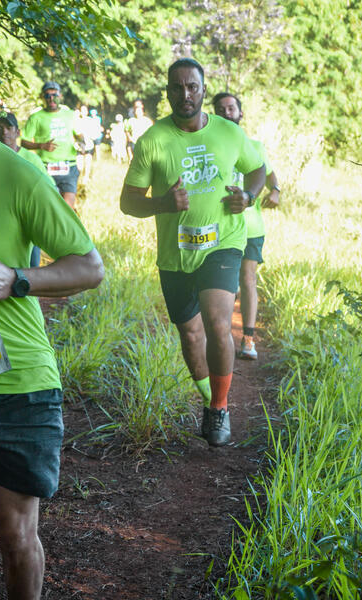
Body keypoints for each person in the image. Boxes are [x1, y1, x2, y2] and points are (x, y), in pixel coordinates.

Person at [0, 42, 104, 600]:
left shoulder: (17, 176)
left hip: (16, 380)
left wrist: (17, 279)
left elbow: (90, 267)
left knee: (14, 534)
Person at [120, 58, 265, 446]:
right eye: (177, 87)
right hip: (175, 253)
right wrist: (163, 204)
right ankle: (208, 397)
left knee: (219, 322)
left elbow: (257, 169)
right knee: (190, 333)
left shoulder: (229, 133)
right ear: (167, 92)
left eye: (192, 87)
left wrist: (248, 196)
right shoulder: (152, 141)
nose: (185, 94)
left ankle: (219, 409)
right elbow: (128, 202)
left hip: (224, 243)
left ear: (203, 89)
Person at [212, 92, 280, 360]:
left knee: (248, 279)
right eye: (221, 109)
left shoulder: (255, 145)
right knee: (222, 283)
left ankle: (248, 339)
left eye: (231, 108)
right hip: (219, 226)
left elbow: (269, 172)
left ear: (241, 114)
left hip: (250, 226)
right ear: (214, 114)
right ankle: (220, 337)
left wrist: (275, 189)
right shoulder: (208, 146)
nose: (227, 113)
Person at [0, 109, 55, 267]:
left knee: (31, 267)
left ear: (18, 132)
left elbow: (50, 190)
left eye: (9, 128)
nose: (4, 132)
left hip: (29, 223)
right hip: (0, 224)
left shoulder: (31, 159)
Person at [21, 81, 83, 210]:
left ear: (60, 96)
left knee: (67, 208)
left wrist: (81, 142)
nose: (51, 99)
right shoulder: (36, 117)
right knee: (50, 208)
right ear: (42, 97)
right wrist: (41, 145)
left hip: (69, 166)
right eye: (47, 95)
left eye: (54, 95)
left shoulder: (70, 114)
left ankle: (67, 228)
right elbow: (23, 142)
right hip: (45, 167)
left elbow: (79, 134)